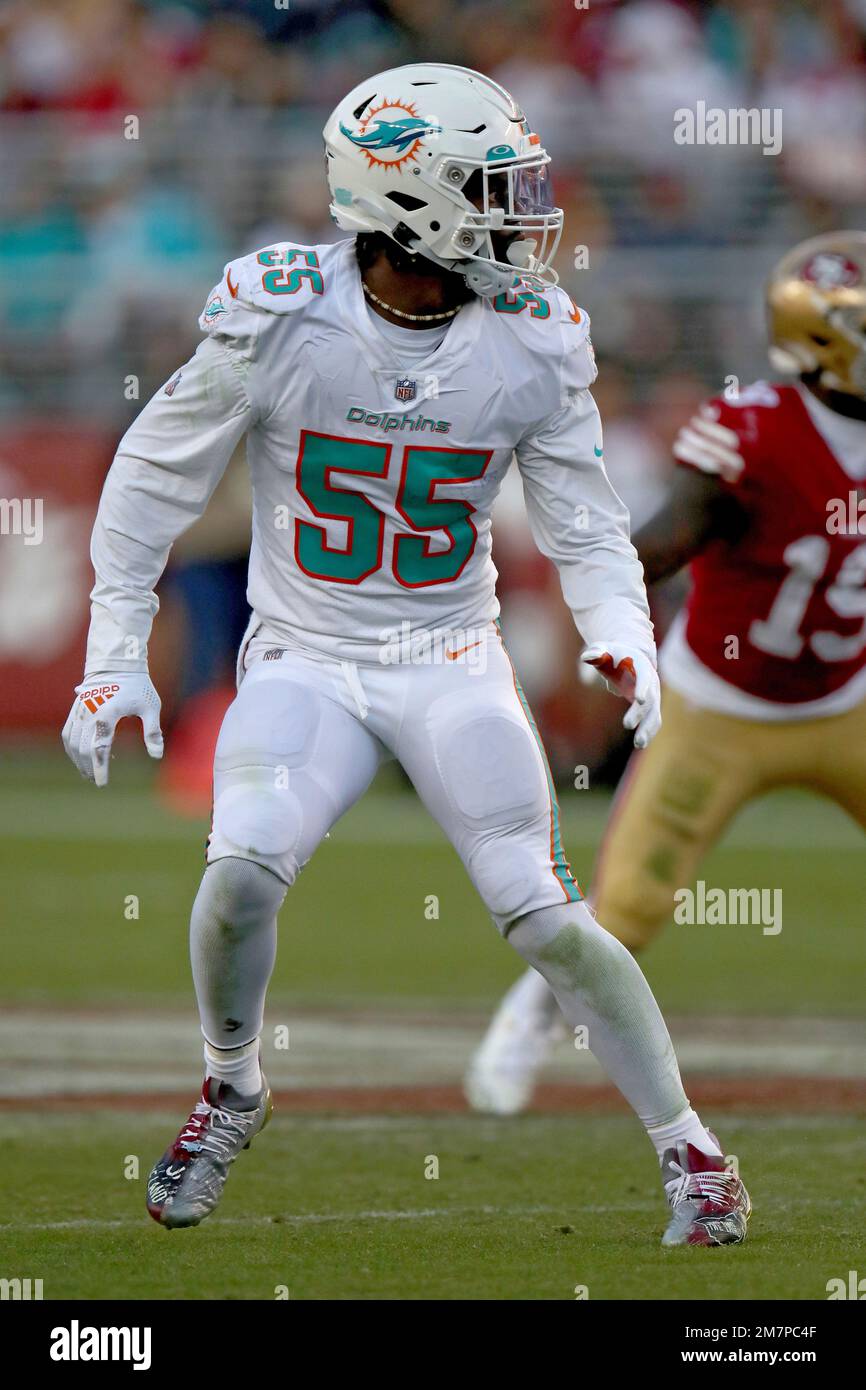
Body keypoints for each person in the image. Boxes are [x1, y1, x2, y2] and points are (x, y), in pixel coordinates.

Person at [62, 63, 749, 1247]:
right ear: (414, 199)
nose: (524, 210)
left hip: (449, 656)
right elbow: (149, 473)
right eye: (496, 184)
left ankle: (692, 1153)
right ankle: (232, 1083)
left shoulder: (534, 339)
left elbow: (583, 520)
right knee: (237, 878)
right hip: (304, 656)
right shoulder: (280, 310)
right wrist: (112, 644)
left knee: (541, 914)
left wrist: (622, 636)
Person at [467, 230, 866, 1115]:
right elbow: (661, 543)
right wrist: (601, 597)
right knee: (632, 906)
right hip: (721, 710)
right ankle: (532, 1013)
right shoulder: (751, 434)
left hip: (849, 701)